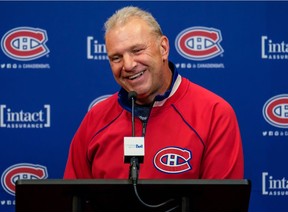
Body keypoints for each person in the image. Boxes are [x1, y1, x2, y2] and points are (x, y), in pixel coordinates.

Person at [64, 6, 244, 179]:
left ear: (163, 48)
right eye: (116, 58)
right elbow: (73, 202)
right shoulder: (96, 119)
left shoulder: (214, 113)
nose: (128, 65)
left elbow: (221, 205)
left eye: (137, 50)